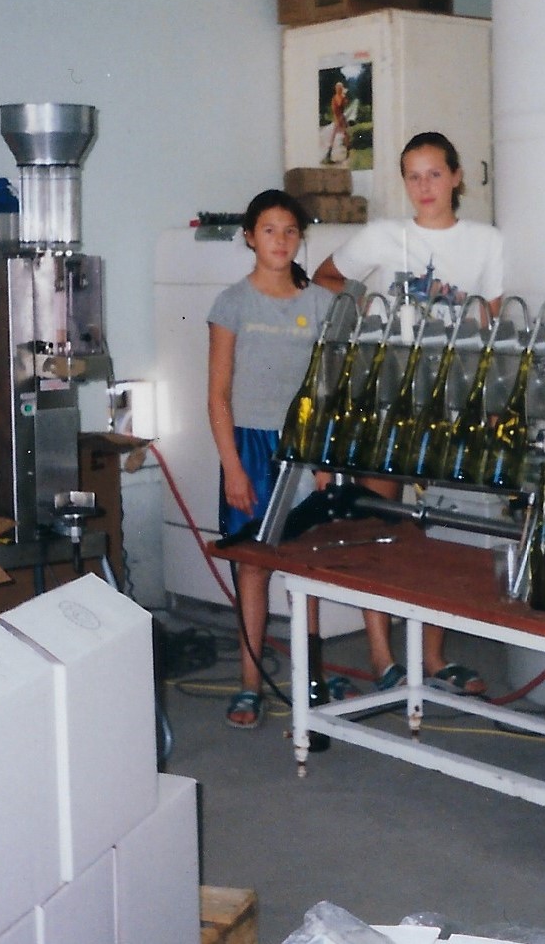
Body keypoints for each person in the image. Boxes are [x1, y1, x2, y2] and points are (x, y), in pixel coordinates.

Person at [314, 130, 503, 695]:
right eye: (413, 176)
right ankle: (380, 654)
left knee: (445, 527)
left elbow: (490, 327)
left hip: (455, 397)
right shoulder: (381, 235)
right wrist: (363, 302)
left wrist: (489, 406)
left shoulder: (487, 242)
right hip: (387, 391)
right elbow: (325, 277)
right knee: (379, 521)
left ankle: (434, 657)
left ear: (457, 176)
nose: (425, 187)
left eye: (435, 174)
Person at [208, 189, 336, 728]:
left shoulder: (321, 304)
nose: (280, 241)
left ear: (300, 237)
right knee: (252, 570)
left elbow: (329, 391)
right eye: (268, 230)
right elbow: (217, 394)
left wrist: (325, 459)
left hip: (303, 449)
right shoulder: (232, 303)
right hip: (249, 448)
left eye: (290, 231)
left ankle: (309, 677)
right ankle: (249, 683)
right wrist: (234, 466)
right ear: (249, 237)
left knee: (303, 569)